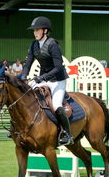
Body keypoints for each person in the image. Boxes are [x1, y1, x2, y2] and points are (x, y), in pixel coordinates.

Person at [21, 16, 73, 145]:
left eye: (37, 30)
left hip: (57, 80)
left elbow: (58, 67)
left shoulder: (53, 44)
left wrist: (42, 77)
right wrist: (23, 75)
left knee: (56, 105)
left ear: (45, 31)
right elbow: (28, 63)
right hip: (42, 78)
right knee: (25, 97)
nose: (35, 33)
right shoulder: (34, 44)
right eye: (34, 31)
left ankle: (67, 134)